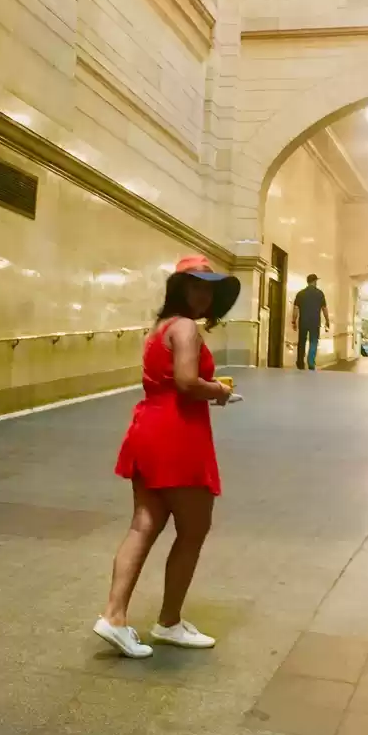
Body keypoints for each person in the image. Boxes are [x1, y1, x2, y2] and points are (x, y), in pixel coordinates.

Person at [95, 255, 239, 659]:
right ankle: (169, 622)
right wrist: (220, 392)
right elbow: (187, 381)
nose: (203, 295)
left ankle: (114, 616)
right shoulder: (187, 328)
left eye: (208, 288)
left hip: (147, 428)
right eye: (196, 286)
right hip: (178, 434)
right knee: (193, 530)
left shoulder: (158, 329)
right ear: (179, 288)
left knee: (144, 524)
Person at [292, 274, 330, 371]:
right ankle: (311, 362)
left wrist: (294, 321)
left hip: (303, 321)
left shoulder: (300, 294)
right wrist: (327, 320)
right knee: (313, 342)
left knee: (302, 342)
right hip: (315, 321)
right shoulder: (319, 293)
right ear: (314, 281)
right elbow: (324, 308)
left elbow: (296, 309)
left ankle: (300, 362)